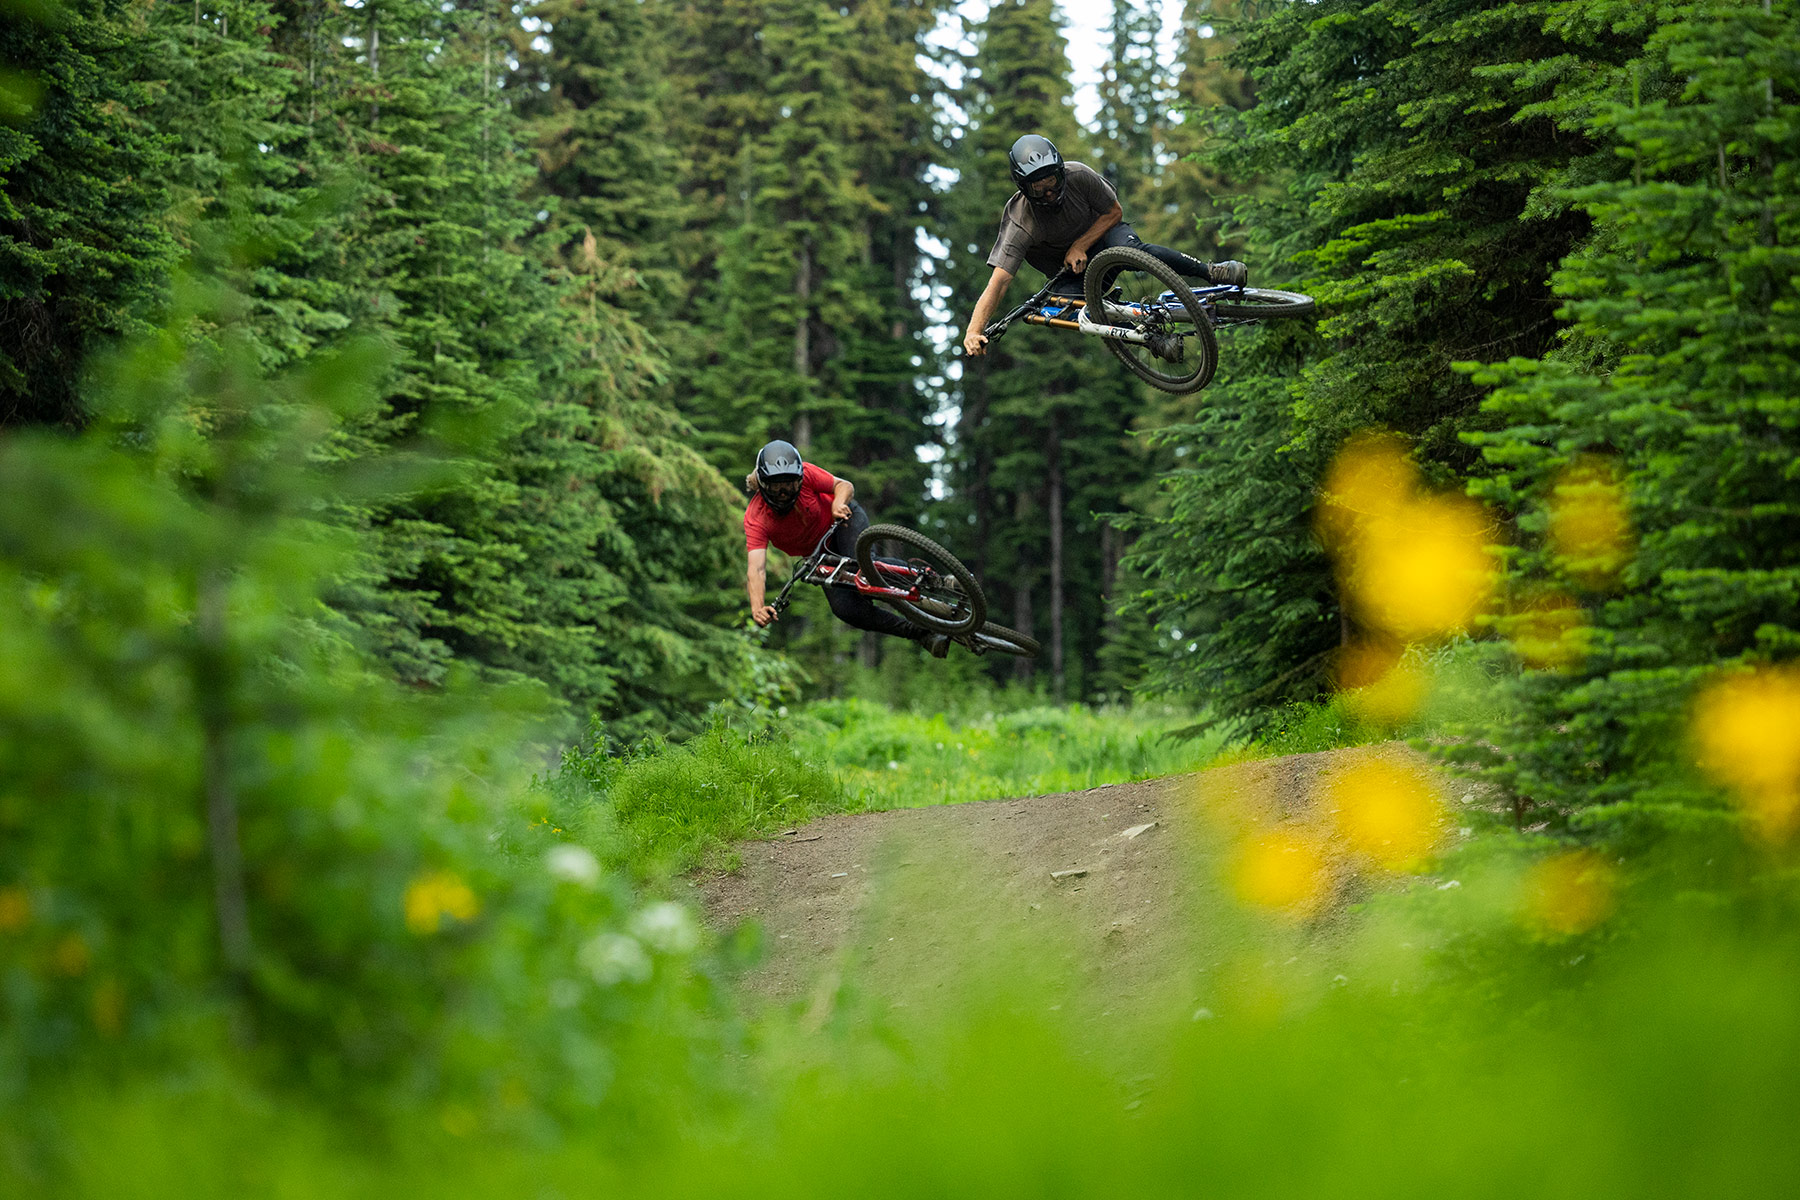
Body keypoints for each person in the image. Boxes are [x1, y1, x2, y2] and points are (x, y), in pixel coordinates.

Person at [962, 133, 1248, 358]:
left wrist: (1080, 244)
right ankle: (1155, 342)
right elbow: (999, 282)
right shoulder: (1020, 221)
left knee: (1137, 252)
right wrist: (974, 331)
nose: (1049, 191)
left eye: (1052, 180)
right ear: (1024, 188)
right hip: (1073, 274)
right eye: (1038, 187)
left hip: (1108, 237)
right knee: (1064, 310)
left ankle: (1212, 272)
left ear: (1061, 171)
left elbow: (1114, 212)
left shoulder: (1079, 176)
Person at [744, 440, 950, 657]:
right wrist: (757, 608)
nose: (784, 492)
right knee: (846, 609)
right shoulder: (756, 518)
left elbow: (844, 485)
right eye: (776, 486)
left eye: (790, 484)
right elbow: (756, 568)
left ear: (800, 478)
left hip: (841, 522)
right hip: (819, 556)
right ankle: (923, 634)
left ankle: (935, 580)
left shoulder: (808, 473)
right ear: (763, 485)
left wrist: (837, 503)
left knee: (862, 567)